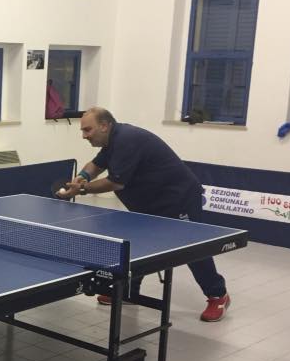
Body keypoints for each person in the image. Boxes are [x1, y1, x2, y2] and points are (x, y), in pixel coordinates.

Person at [55, 107, 231, 322]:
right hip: (150, 202)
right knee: (136, 244)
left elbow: (116, 183)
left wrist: (82, 189)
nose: (84, 135)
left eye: (87, 130)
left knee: (192, 249)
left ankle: (218, 295)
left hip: (178, 199)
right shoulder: (111, 141)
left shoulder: (127, 141)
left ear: (104, 126)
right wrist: (82, 177)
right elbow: (97, 164)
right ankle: (129, 292)